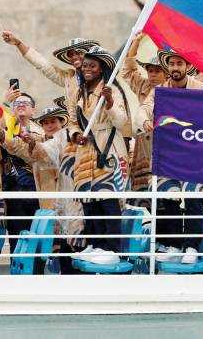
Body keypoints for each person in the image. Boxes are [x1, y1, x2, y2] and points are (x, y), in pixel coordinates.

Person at [138, 50, 203, 264]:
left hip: (193, 153)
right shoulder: (160, 90)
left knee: (193, 200)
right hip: (167, 151)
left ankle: (191, 247)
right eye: (172, 64)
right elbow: (144, 109)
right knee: (168, 199)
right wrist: (144, 122)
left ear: (187, 66)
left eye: (180, 63)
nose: (175, 67)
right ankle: (174, 244)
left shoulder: (201, 88)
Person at [1, 105, 90, 271]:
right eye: (46, 122)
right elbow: (21, 148)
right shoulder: (38, 142)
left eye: (53, 121)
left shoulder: (68, 138)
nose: (50, 125)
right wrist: (1, 133)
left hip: (75, 200)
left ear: (61, 122)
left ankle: (79, 283)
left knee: (77, 243)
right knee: (62, 247)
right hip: (53, 204)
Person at [65, 46, 130, 264]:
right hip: (85, 150)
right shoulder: (78, 91)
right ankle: (94, 244)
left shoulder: (111, 89)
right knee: (88, 199)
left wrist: (110, 102)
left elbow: (121, 121)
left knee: (107, 198)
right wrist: (76, 136)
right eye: (84, 66)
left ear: (102, 68)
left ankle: (111, 248)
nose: (87, 70)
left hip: (107, 147)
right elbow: (72, 121)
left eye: (92, 66)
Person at [0, 89, 56, 270]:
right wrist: (5, 106)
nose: (21, 105)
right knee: (17, 239)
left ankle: (38, 275)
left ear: (34, 110)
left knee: (39, 240)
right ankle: (18, 276)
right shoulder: (5, 128)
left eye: (25, 103)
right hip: (13, 194)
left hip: (39, 194)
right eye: (17, 103)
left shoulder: (42, 132)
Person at [1, 33, 98, 116]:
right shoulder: (69, 77)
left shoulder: (101, 76)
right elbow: (42, 64)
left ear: (88, 55)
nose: (74, 56)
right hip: (77, 132)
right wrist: (18, 43)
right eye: (70, 54)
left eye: (79, 52)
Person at [122, 34, 168, 196]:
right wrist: (136, 41)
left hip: (167, 141)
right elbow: (128, 71)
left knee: (167, 187)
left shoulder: (174, 89)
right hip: (145, 141)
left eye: (157, 71)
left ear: (167, 73)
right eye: (150, 71)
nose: (153, 75)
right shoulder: (144, 85)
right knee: (143, 188)